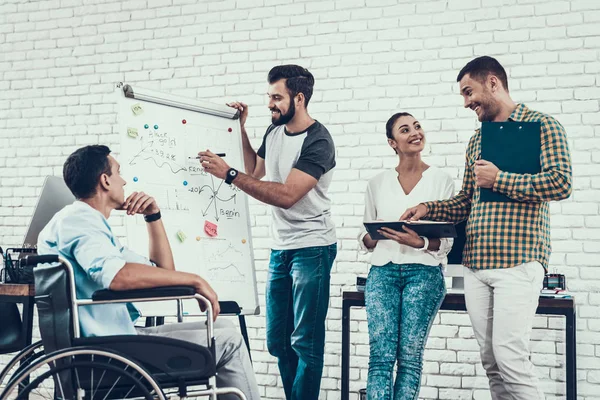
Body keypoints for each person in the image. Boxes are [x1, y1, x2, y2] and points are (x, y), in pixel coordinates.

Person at [401, 56, 572, 400]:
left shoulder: (543, 125)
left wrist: (501, 179)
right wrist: (428, 208)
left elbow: (560, 183)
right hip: (476, 265)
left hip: (519, 261)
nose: (466, 103)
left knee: (511, 358)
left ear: (493, 83)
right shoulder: (477, 141)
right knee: (491, 361)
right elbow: (466, 201)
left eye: (469, 92)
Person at [37, 145, 260, 400]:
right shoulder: (79, 220)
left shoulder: (87, 224)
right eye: (118, 172)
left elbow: (163, 271)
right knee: (229, 342)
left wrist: (153, 216)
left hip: (116, 338)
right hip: (108, 349)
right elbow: (116, 276)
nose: (124, 180)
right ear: (105, 180)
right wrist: (196, 280)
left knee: (223, 325)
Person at [199, 65, 337, 400]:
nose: (270, 104)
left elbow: (287, 196)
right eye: (269, 97)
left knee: (305, 341)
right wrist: (241, 130)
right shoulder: (274, 132)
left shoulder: (318, 141)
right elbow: (255, 171)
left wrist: (228, 174)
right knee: (278, 340)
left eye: (277, 97)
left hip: (313, 248)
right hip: (281, 248)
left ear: (299, 98)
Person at [358, 112, 454, 400]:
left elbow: (447, 242)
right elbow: (364, 238)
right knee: (380, 357)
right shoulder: (376, 183)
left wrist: (420, 241)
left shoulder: (441, 180)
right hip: (382, 272)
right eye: (405, 130)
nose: (415, 132)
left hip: (423, 273)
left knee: (409, 357)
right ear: (392, 143)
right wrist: (374, 235)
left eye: (417, 126)